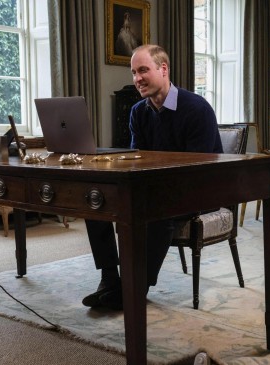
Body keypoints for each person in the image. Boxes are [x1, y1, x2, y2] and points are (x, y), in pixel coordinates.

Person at [82, 44, 223, 310]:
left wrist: (155, 189)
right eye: (134, 72)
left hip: (201, 190)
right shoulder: (138, 112)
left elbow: (200, 171)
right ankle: (110, 279)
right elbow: (139, 161)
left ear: (163, 69)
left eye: (143, 70)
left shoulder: (197, 109)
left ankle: (136, 289)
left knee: (158, 208)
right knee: (96, 199)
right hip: (157, 187)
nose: (137, 79)